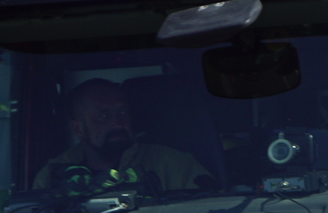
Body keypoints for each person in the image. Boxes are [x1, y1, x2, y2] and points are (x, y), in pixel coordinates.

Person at [34, 78, 213, 194]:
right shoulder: (51, 177)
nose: (118, 123)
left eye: (122, 113)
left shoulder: (173, 164)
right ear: (78, 129)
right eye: (104, 116)